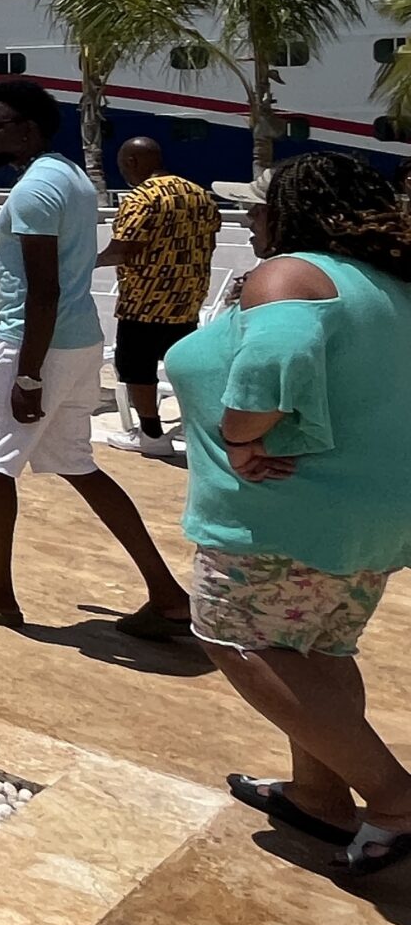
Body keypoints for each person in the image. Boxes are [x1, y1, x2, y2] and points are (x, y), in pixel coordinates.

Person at [166, 154, 411, 877]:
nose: (249, 219)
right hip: (365, 517)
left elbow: (274, 365)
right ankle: (318, 794)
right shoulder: (391, 288)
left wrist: (241, 438)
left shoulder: (293, 275)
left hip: (281, 514)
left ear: (295, 213)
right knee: (320, 654)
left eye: (258, 207)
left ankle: (395, 801)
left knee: (233, 639)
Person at [0, 80, 190, 637]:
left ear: (29, 129)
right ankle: (167, 595)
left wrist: (26, 373)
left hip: (31, 342)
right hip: (78, 341)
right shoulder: (71, 177)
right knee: (77, 464)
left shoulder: (34, 192)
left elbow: (43, 292)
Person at [96, 135, 222, 457]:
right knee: (184, 369)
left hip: (145, 302)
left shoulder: (141, 198)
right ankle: (203, 431)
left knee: (137, 370)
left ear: (133, 162)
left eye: (124, 165)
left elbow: (124, 248)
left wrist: (81, 262)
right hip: (187, 300)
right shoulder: (199, 195)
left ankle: (151, 435)